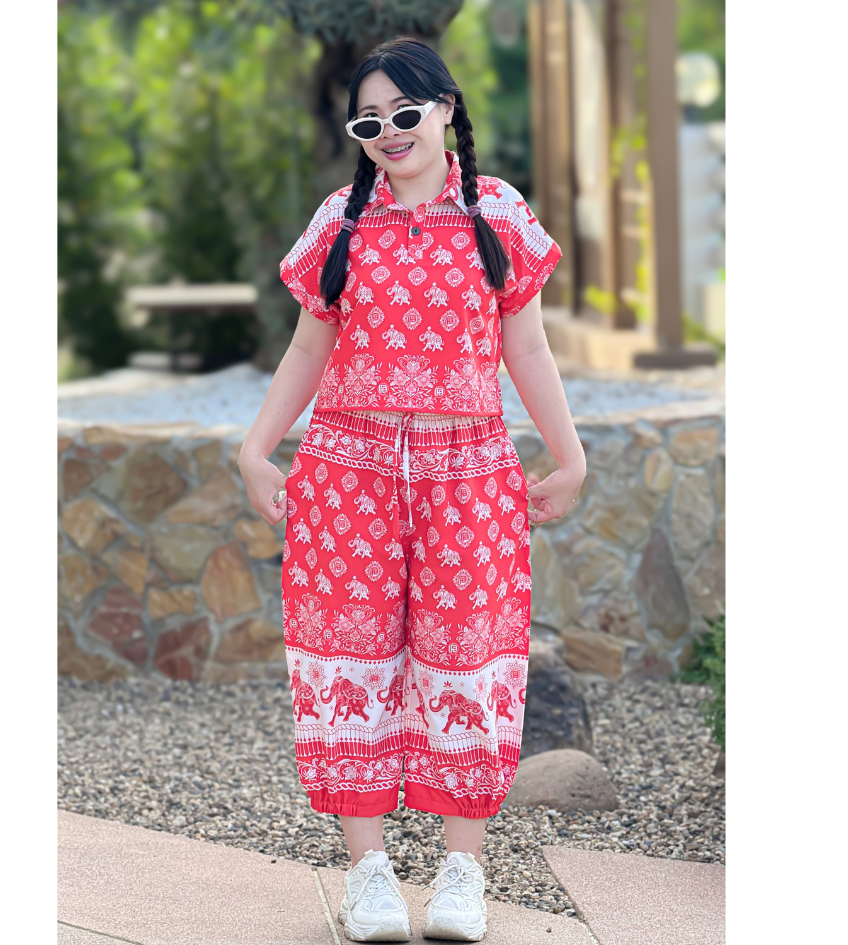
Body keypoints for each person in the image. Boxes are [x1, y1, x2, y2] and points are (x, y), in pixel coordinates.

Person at [238, 37, 586, 943]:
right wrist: (257, 448)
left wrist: (568, 453)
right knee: (347, 658)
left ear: (444, 109)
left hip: (468, 473)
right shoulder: (339, 222)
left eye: (404, 112)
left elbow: (527, 346)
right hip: (344, 475)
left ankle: (462, 872)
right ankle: (369, 874)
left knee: (469, 655)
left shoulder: (497, 214)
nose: (388, 132)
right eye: (369, 121)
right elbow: (308, 347)